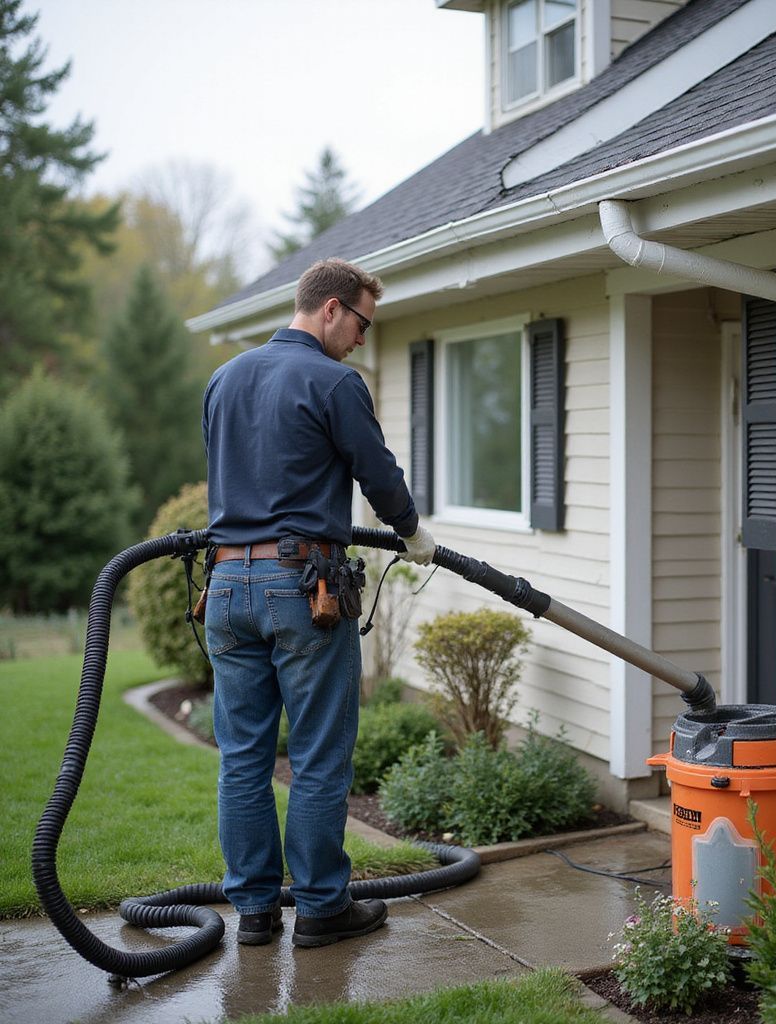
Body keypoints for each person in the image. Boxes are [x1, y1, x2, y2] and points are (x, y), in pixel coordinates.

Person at [201, 257, 435, 948]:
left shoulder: (223, 379)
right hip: (304, 589)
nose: (363, 338)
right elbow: (378, 472)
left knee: (242, 756)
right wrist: (413, 533)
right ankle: (324, 909)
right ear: (331, 309)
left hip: (224, 586)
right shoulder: (335, 381)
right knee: (318, 754)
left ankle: (253, 913)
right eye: (362, 322)